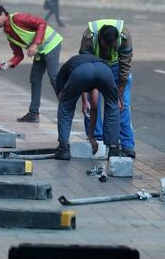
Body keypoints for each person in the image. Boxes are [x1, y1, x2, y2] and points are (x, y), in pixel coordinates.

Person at [0, 4, 63, 122]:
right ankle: (33, 114)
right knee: (35, 79)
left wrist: (35, 44)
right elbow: (18, 55)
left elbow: (41, 23)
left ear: (3, 14)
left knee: (53, 77)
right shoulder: (7, 33)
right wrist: (7, 64)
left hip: (51, 44)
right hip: (40, 51)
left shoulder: (17, 18)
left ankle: (66, 108)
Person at [79, 20, 136, 157]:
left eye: (113, 45)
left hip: (117, 68)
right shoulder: (89, 36)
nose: (109, 48)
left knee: (122, 106)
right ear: (100, 39)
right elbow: (83, 69)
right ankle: (96, 142)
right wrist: (84, 99)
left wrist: (119, 97)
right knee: (93, 105)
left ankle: (127, 145)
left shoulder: (125, 37)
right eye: (106, 45)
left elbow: (125, 69)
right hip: (96, 66)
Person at [53, 53, 120, 160]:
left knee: (66, 107)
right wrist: (91, 137)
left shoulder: (61, 78)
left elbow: (63, 99)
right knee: (112, 105)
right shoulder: (90, 73)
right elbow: (94, 105)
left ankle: (63, 148)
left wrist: (66, 100)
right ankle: (114, 149)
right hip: (104, 70)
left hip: (81, 71)